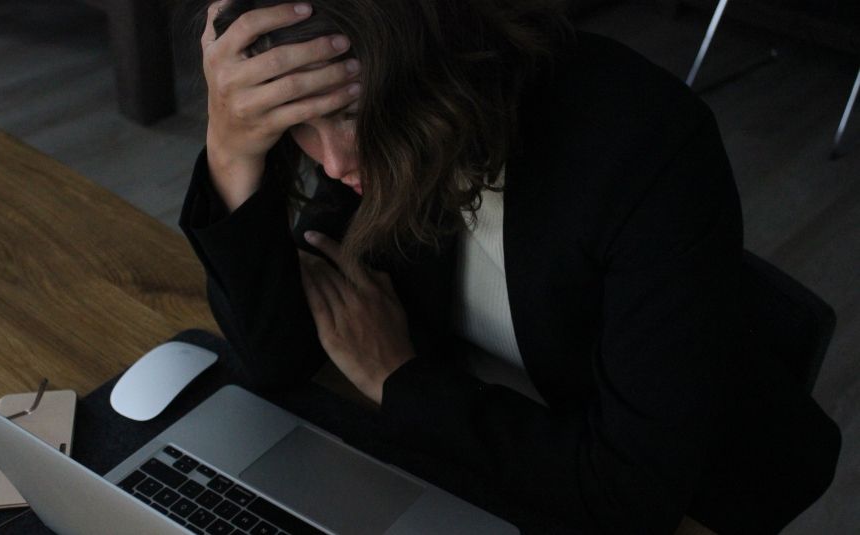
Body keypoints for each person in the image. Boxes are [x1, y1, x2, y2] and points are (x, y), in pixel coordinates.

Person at [178, 0, 841, 533]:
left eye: (350, 116)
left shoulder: (646, 147)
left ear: (427, 64)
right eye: (298, 126)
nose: (333, 164)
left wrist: (397, 379)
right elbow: (278, 355)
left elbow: (630, 499)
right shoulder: (368, 135)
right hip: (486, 462)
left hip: (683, 492)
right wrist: (231, 149)